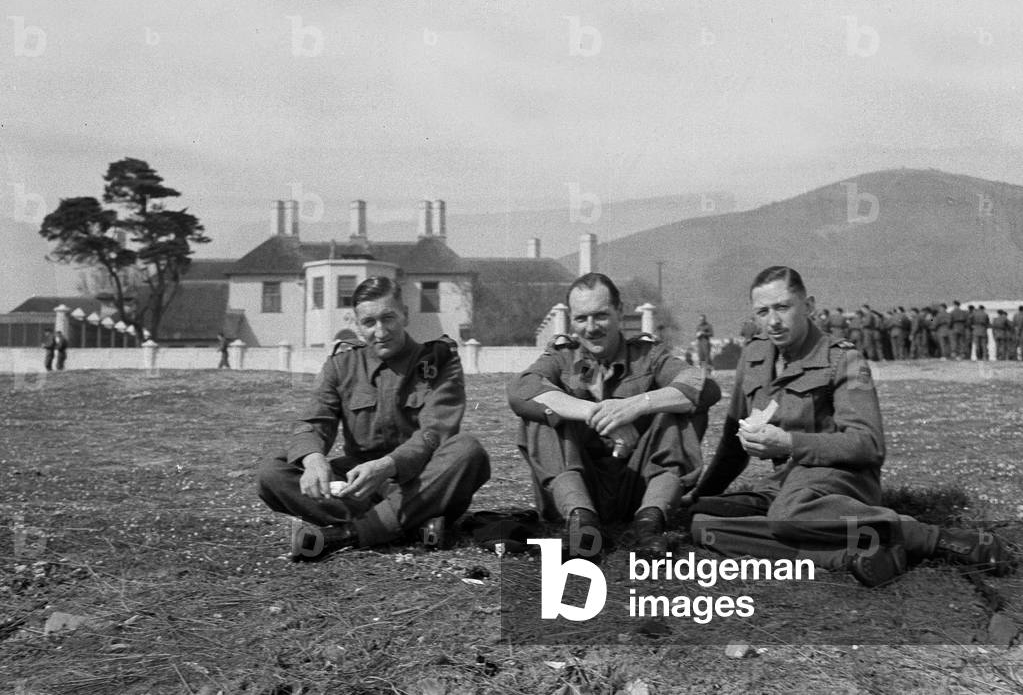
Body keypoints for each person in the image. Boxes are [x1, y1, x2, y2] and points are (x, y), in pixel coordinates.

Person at [683, 266, 1012, 587]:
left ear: (808, 306)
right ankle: (859, 551)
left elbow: (868, 445)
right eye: (763, 311)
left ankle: (927, 537)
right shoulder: (753, 356)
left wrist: (788, 442)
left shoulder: (843, 359)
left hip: (841, 481)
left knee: (787, 515)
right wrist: (698, 495)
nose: (773, 321)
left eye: (783, 307)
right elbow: (731, 444)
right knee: (700, 523)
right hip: (785, 486)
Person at [257, 277, 490, 560]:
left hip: (422, 479)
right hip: (360, 484)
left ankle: (347, 534)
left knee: (467, 451)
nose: (380, 331)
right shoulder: (341, 365)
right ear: (357, 325)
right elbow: (315, 421)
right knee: (272, 473)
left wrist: (388, 466)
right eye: (369, 322)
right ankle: (412, 524)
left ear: (405, 314)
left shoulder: (439, 361)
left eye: (388, 318)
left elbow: (435, 432)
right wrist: (313, 459)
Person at [507, 273, 721, 557]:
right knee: (542, 415)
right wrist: (597, 414)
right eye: (581, 319)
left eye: (601, 316)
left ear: (620, 312)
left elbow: (704, 388)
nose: (591, 328)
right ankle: (583, 524)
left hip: (639, 488)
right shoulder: (562, 358)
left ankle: (650, 526)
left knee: (679, 409)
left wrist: (635, 405)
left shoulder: (648, 356)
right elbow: (521, 390)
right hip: (579, 487)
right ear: (572, 320)